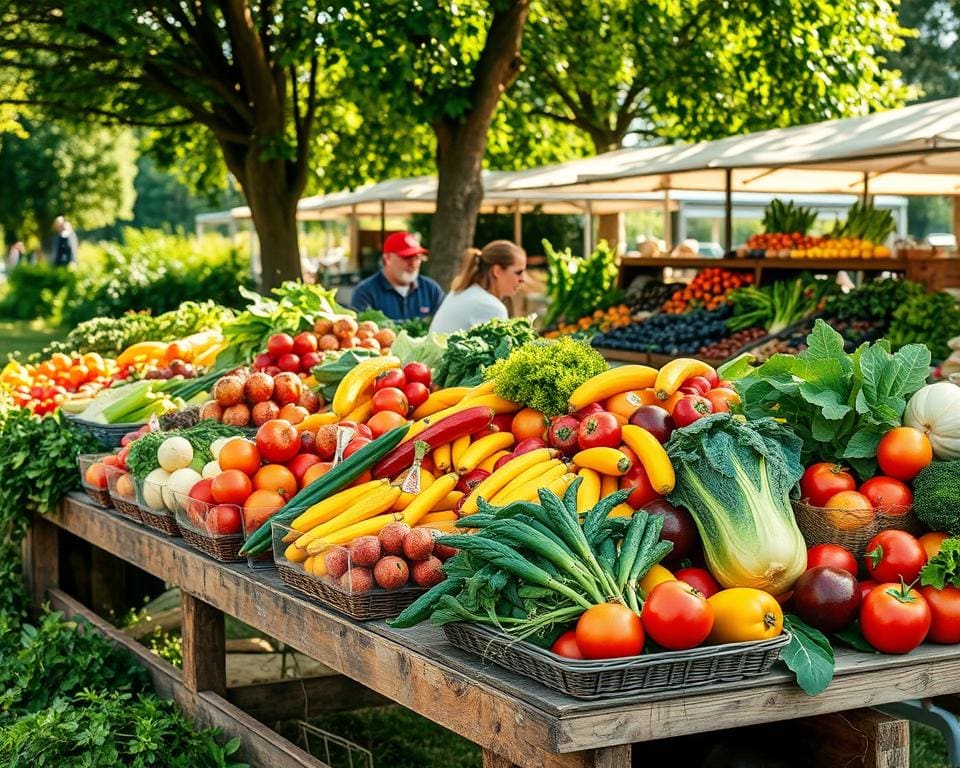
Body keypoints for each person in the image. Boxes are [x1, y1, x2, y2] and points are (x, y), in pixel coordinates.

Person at [429, 240, 526, 334]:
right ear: (497, 271)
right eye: (518, 272)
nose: (523, 279)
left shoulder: (465, 291)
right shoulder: (490, 306)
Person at [350, 231, 444, 321]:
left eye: (417, 257)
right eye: (406, 257)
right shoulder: (365, 292)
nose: (413, 263)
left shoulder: (431, 289)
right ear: (387, 258)